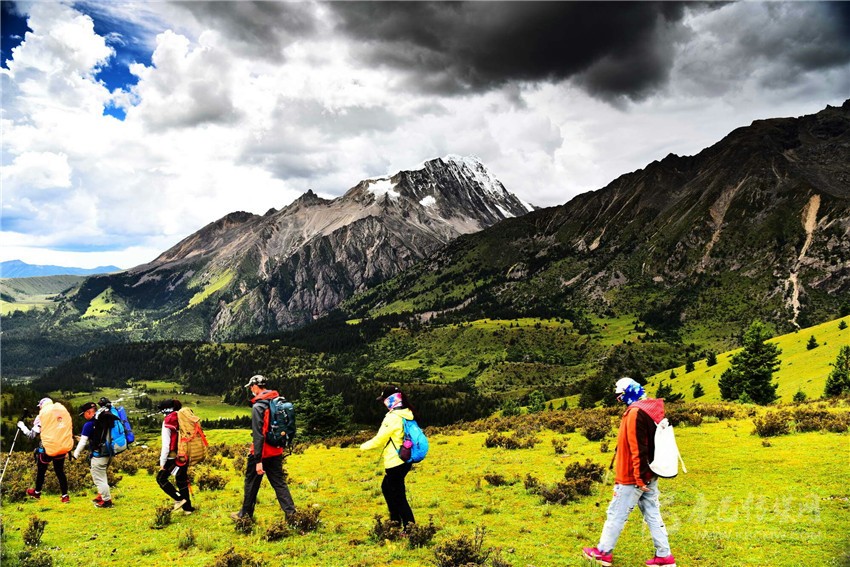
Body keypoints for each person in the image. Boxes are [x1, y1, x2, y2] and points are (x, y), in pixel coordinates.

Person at [583, 378, 677, 567]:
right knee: (652, 513)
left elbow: (638, 447)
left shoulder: (635, 412)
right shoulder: (650, 409)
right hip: (649, 472)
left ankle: (603, 552)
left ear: (629, 392)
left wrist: (639, 477)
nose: (619, 400)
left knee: (616, 513)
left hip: (633, 476)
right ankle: (664, 556)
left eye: (621, 395)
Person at [231, 375, 296, 521]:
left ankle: (245, 516)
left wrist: (258, 460)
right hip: (276, 450)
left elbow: (258, 435)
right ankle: (292, 515)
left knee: (251, 484)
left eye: (251, 387)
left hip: (262, 452)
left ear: (255, 387)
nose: (251, 390)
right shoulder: (276, 401)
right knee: (279, 483)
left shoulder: (258, 406)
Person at [359, 385, 416, 530]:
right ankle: (395, 520)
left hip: (395, 462)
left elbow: (379, 439)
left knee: (398, 495)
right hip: (405, 459)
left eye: (384, 399)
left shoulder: (392, 418)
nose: (383, 403)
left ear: (391, 400)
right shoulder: (407, 413)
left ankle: (409, 528)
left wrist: (362, 447)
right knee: (386, 487)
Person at [17, 397, 72, 503]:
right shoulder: (61, 412)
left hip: (47, 448)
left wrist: (22, 426)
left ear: (42, 406)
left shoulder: (43, 415)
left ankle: (37, 492)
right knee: (60, 471)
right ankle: (65, 496)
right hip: (62, 447)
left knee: (41, 471)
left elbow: (31, 435)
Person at [73, 399, 116, 508]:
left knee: (99, 480)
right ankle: (101, 496)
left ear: (88, 412)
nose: (84, 417)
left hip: (98, 455)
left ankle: (107, 501)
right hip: (108, 453)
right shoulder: (104, 420)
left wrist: (75, 454)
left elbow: (83, 442)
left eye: (84, 414)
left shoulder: (89, 425)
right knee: (103, 476)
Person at [156, 399, 195, 513]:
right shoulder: (182, 418)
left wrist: (162, 462)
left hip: (172, 456)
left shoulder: (167, 421)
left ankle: (179, 499)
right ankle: (188, 509)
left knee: (161, 478)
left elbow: (166, 445)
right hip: (184, 453)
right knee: (181, 480)